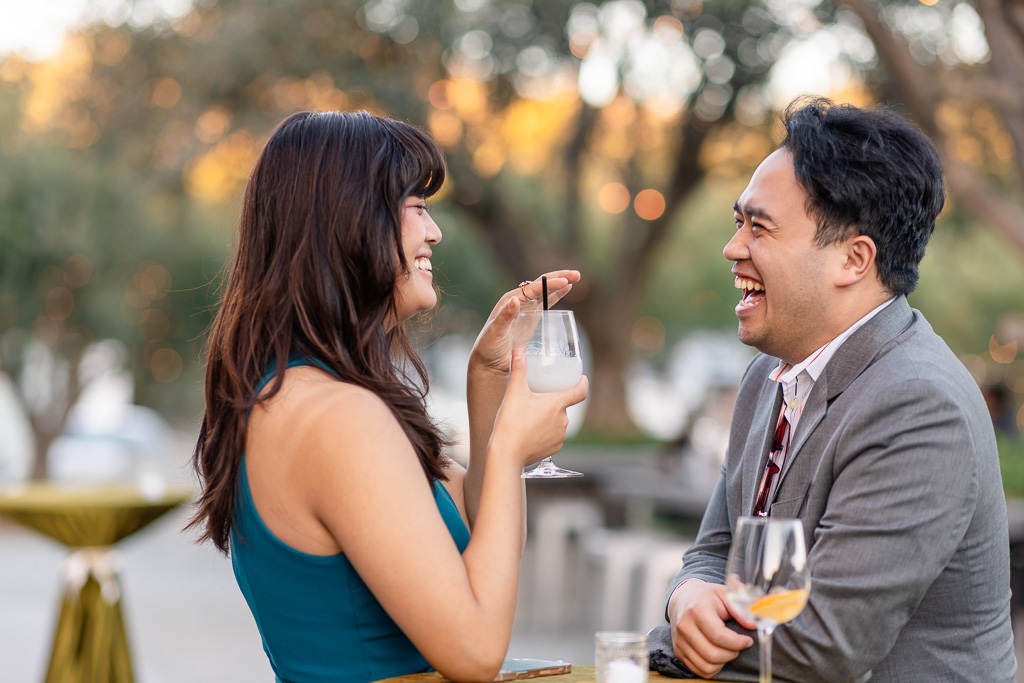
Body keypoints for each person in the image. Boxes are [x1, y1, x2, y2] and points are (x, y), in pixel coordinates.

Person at [186, 110, 588, 683]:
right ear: (351, 220)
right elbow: (475, 652)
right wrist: (506, 450)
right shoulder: (338, 417)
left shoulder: (301, 392)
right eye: (417, 207)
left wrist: (486, 379)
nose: (435, 232)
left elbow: (478, 537)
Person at [653, 98, 1018, 682]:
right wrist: (685, 599)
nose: (733, 247)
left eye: (760, 226)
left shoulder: (918, 404)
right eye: (737, 221)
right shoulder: (767, 377)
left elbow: (824, 645)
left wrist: (662, 639)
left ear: (853, 259)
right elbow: (713, 553)